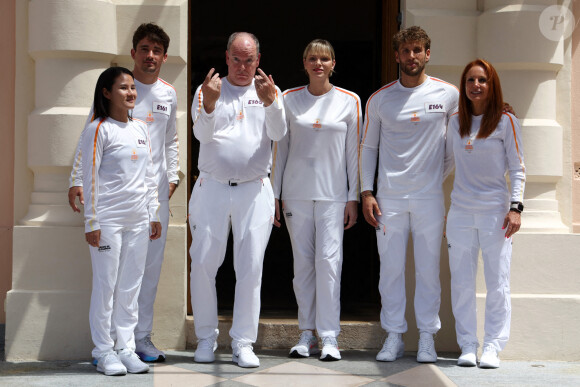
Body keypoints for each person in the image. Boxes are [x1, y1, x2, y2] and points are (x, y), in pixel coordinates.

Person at [69, 23, 179, 362]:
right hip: (113, 204)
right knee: (110, 280)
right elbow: (88, 144)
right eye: (144, 49)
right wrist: (76, 180)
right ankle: (108, 348)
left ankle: (138, 340)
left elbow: (171, 142)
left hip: (151, 200)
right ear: (134, 53)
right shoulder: (113, 89)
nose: (150, 56)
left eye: (157, 51)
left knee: (143, 274)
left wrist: (171, 181)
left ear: (163, 57)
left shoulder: (168, 94)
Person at [360, 26, 459, 363]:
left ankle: (427, 337)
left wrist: (433, 178)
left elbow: (455, 146)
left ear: (427, 54)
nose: (412, 56)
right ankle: (394, 335)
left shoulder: (449, 95)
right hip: (389, 199)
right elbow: (368, 147)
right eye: (406, 51)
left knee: (428, 269)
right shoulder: (380, 98)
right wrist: (366, 191)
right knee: (390, 269)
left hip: (430, 199)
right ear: (397, 55)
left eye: (418, 50)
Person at [189, 32, 287, 368]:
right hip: (212, 188)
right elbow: (201, 134)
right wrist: (211, 104)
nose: (243, 66)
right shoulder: (208, 90)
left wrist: (272, 102)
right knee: (203, 263)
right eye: (236, 59)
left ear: (258, 60)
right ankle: (205, 339)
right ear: (226, 57)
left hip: (254, 189)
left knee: (250, 268)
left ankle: (243, 343)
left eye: (249, 60)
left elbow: (279, 134)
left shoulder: (269, 93)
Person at [272, 39, 360, 361]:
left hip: (334, 197)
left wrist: (353, 197)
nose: (318, 64)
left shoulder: (350, 101)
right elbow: (279, 150)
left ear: (333, 63)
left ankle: (329, 336)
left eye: (324, 58)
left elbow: (354, 153)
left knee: (329, 264)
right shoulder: (288, 99)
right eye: (312, 58)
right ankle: (306, 334)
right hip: (296, 196)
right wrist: (275, 194)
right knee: (304, 267)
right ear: (304, 63)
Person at [444, 59, 524, 369]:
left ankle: (492, 345)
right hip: (461, 213)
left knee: (497, 282)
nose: (476, 85)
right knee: (462, 282)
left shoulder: (506, 121)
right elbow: (447, 164)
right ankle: (468, 345)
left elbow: (518, 168)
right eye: (470, 81)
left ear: (492, 86)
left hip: (496, 214)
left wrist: (515, 208)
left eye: (482, 80)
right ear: (463, 87)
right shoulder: (455, 122)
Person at [81, 66, 162, 376]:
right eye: (123, 88)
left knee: (130, 287)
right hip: (108, 222)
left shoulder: (140, 128)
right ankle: (103, 351)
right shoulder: (98, 129)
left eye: (132, 88)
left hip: (139, 221)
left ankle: (124, 347)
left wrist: (153, 213)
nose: (131, 93)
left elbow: (150, 175)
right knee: (106, 287)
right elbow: (89, 178)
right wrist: (92, 222)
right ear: (106, 92)